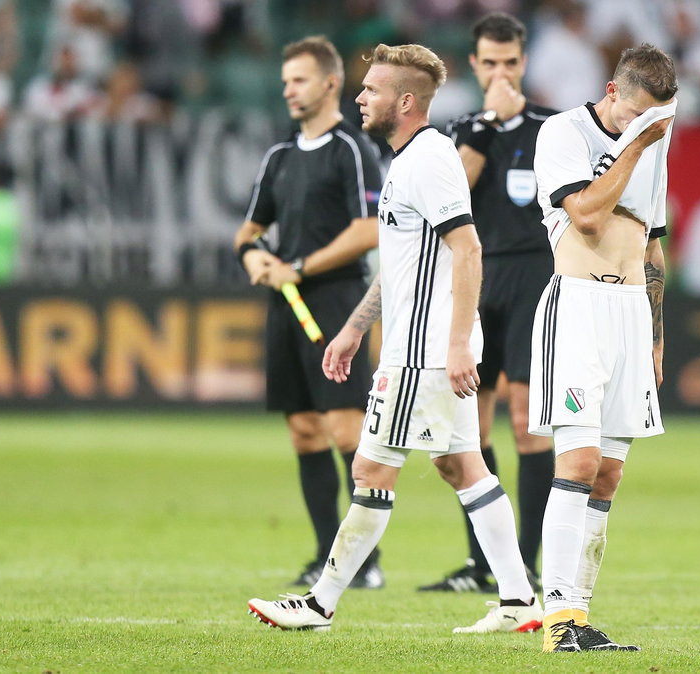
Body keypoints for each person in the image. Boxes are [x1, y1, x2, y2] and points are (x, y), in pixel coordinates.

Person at [247, 42, 542, 635]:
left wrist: (458, 344)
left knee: (371, 470)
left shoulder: (429, 159)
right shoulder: (407, 160)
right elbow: (405, 261)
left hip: (423, 354)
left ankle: (321, 602)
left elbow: (468, 248)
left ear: (406, 101)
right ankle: (518, 599)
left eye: (373, 89)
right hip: (423, 348)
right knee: (465, 469)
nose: (360, 96)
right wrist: (356, 327)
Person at [530, 43, 675, 653]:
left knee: (610, 474)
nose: (646, 127)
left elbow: (651, 246)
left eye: (656, 119)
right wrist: (637, 142)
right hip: (579, 307)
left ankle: (580, 616)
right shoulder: (561, 133)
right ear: (613, 92)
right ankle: (556, 619)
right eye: (635, 114)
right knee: (579, 463)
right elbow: (586, 216)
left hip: (629, 317)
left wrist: (656, 337)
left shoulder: (656, 143)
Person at [234, 36, 385, 591]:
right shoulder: (279, 155)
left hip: (338, 299)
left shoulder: (352, 148)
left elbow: (368, 230)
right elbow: (247, 232)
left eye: (298, 80)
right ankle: (326, 556)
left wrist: (298, 265)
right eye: (284, 82)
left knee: (346, 429)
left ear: (329, 83)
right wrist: (255, 256)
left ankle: (364, 562)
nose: (288, 91)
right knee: (303, 431)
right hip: (286, 302)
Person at [418, 12, 556, 595]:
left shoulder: (554, 129)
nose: (500, 72)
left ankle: (524, 563)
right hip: (476, 278)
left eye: (510, 62)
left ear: (523, 63)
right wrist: (486, 126)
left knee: (526, 422)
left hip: (534, 278)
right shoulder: (457, 134)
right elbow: (457, 191)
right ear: (473, 66)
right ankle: (483, 566)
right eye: (489, 63)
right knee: (471, 427)